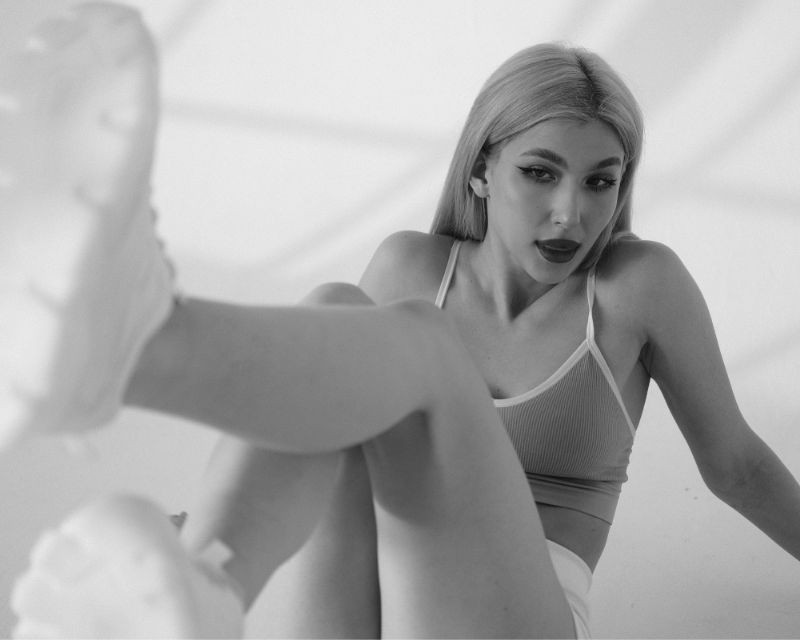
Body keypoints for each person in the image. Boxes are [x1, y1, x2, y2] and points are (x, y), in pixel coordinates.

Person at [3, 3, 800, 639]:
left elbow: (737, 467)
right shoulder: (411, 267)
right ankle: (206, 581)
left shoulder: (635, 287)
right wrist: (201, 521)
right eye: (540, 172)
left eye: (601, 181)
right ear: (482, 169)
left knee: (413, 345)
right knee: (336, 319)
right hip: (364, 608)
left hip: (523, 619)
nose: (571, 212)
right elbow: (302, 430)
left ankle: (134, 343)